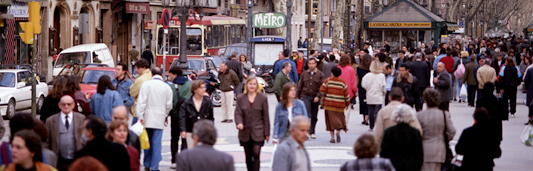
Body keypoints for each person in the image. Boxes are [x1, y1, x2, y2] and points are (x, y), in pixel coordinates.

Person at [135, 68, 173, 171]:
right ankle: (155, 167)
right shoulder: (167, 87)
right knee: (157, 143)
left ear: (151, 74)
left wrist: (140, 116)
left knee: (147, 143)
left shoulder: (146, 85)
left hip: (147, 117)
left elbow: (141, 102)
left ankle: (147, 164)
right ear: (162, 74)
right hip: (159, 117)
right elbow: (169, 105)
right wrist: (165, 115)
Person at [234, 76, 269, 171]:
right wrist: (239, 123)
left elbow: (266, 116)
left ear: (257, 85)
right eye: (250, 84)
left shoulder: (262, 98)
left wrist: (267, 133)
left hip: (258, 131)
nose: (252, 86)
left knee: (256, 153)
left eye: (254, 84)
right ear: (247, 85)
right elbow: (238, 113)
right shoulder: (241, 98)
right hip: (245, 131)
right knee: (248, 155)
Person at [416, 89, 456, 170]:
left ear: (425, 100)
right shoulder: (444, 114)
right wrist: (445, 138)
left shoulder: (419, 115)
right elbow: (452, 131)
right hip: (439, 149)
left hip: (424, 149)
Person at [44, 95, 85, 171]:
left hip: (76, 160)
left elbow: (86, 139)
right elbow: (46, 141)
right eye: (63, 104)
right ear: (59, 105)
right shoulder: (51, 120)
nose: (66, 106)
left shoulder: (81, 119)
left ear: (73, 105)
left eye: (69, 104)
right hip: (58, 161)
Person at [380, 104, 423, 171]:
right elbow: (419, 153)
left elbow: (384, 152)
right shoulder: (415, 132)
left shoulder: (389, 132)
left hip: (392, 164)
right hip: (411, 165)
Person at [179, 80, 215, 148]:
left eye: (204, 87)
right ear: (195, 90)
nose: (203, 89)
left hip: (204, 132)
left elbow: (211, 118)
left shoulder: (208, 102)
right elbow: (182, 118)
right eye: (201, 88)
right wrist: (183, 130)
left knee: (204, 153)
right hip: (190, 131)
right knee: (191, 152)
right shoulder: (187, 103)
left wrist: (211, 129)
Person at [296, 57, 325, 139]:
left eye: (313, 63)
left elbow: (322, 87)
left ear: (316, 64)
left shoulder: (320, 74)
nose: (311, 65)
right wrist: (296, 97)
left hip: (315, 96)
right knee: (306, 114)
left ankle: (312, 131)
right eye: (310, 64)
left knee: (314, 115)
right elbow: (299, 86)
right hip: (306, 96)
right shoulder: (304, 74)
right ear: (308, 64)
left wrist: (318, 96)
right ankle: (306, 131)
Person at [320, 66, 350, 143]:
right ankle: (338, 132)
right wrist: (347, 104)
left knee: (330, 122)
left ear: (332, 73)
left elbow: (322, 90)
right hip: (340, 105)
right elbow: (346, 94)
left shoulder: (328, 80)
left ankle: (332, 138)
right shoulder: (342, 82)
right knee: (339, 120)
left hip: (329, 104)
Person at [362, 61, 386, 131]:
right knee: (377, 112)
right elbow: (384, 86)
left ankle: (371, 126)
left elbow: (363, 84)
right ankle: (377, 125)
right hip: (378, 96)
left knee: (370, 112)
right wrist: (383, 93)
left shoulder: (367, 75)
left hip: (370, 95)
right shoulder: (382, 76)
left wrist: (368, 89)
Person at [130, 59, 152, 125]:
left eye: (138, 68)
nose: (136, 70)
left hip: (138, 110)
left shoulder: (140, 79)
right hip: (150, 111)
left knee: (135, 132)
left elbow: (132, 93)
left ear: (144, 68)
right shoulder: (151, 75)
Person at [358, 54, 373, 125]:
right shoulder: (371, 69)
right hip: (370, 86)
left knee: (362, 101)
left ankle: (364, 118)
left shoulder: (359, 68)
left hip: (361, 86)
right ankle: (368, 117)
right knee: (369, 101)